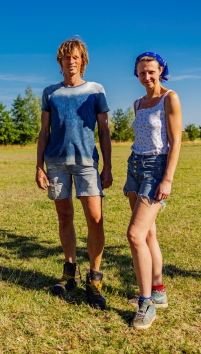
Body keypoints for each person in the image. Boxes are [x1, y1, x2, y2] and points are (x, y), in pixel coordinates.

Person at [36, 38, 113, 309]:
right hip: (56, 163)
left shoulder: (96, 90)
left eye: (76, 57)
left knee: (95, 218)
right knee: (64, 216)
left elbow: (104, 131)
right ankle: (69, 273)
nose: (71, 61)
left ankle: (95, 279)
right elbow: (44, 131)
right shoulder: (50, 93)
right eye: (66, 58)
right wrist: (38, 166)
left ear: (83, 60)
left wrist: (108, 166)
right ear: (60, 62)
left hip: (87, 164)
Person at [124, 52, 182, 329]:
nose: (147, 76)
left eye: (151, 71)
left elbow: (175, 140)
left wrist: (167, 179)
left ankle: (145, 302)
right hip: (135, 166)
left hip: (156, 169)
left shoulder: (170, 97)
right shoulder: (138, 103)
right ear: (136, 74)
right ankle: (158, 291)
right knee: (148, 233)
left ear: (161, 71)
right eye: (142, 72)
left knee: (134, 235)